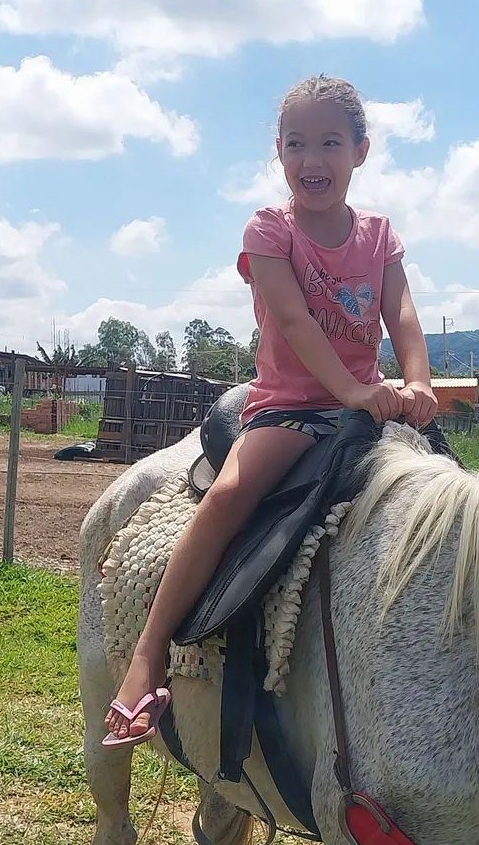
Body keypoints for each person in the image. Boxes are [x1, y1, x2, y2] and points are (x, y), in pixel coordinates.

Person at [104, 74, 438, 746]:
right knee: (228, 496)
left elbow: (400, 312)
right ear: (280, 155)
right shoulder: (269, 230)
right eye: (296, 144)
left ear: (360, 151)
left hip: (369, 408)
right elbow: (290, 317)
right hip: (292, 408)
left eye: (330, 143)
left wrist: (419, 382)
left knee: (454, 500)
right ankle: (145, 658)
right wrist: (349, 391)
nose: (313, 159)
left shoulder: (379, 237)